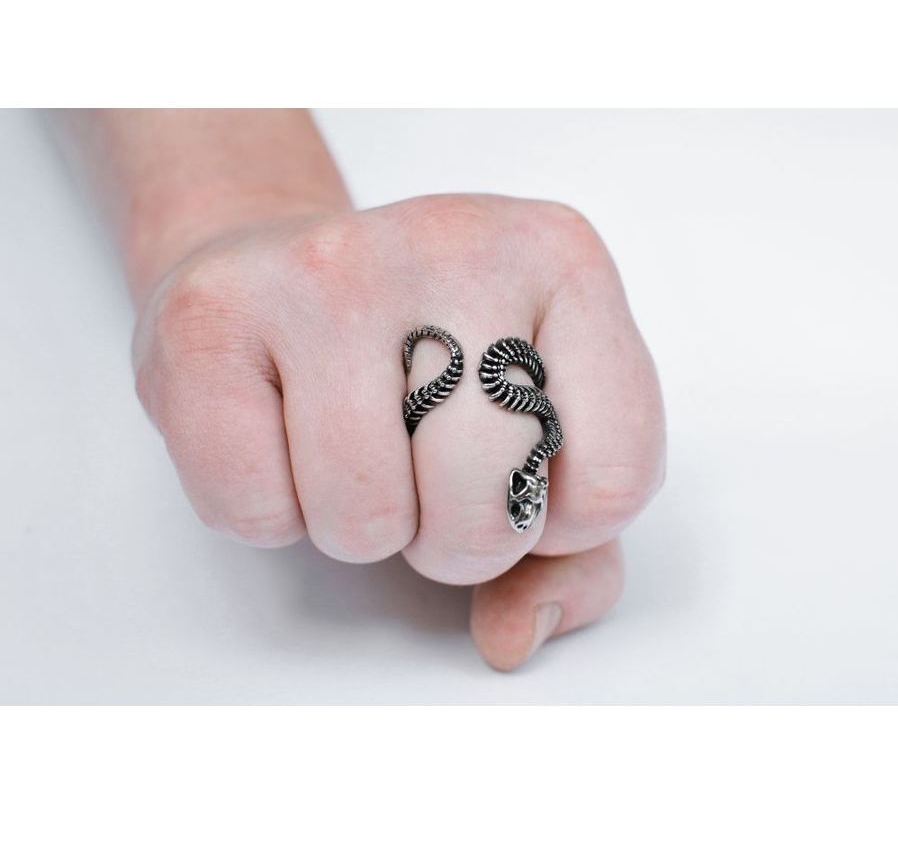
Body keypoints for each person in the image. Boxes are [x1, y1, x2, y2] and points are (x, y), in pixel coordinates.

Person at [62, 109, 666, 670]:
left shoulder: (538, 436)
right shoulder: (526, 427)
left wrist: (238, 212)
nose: (519, 507)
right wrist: (234, 208)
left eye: (520, 502)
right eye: (520, 499)